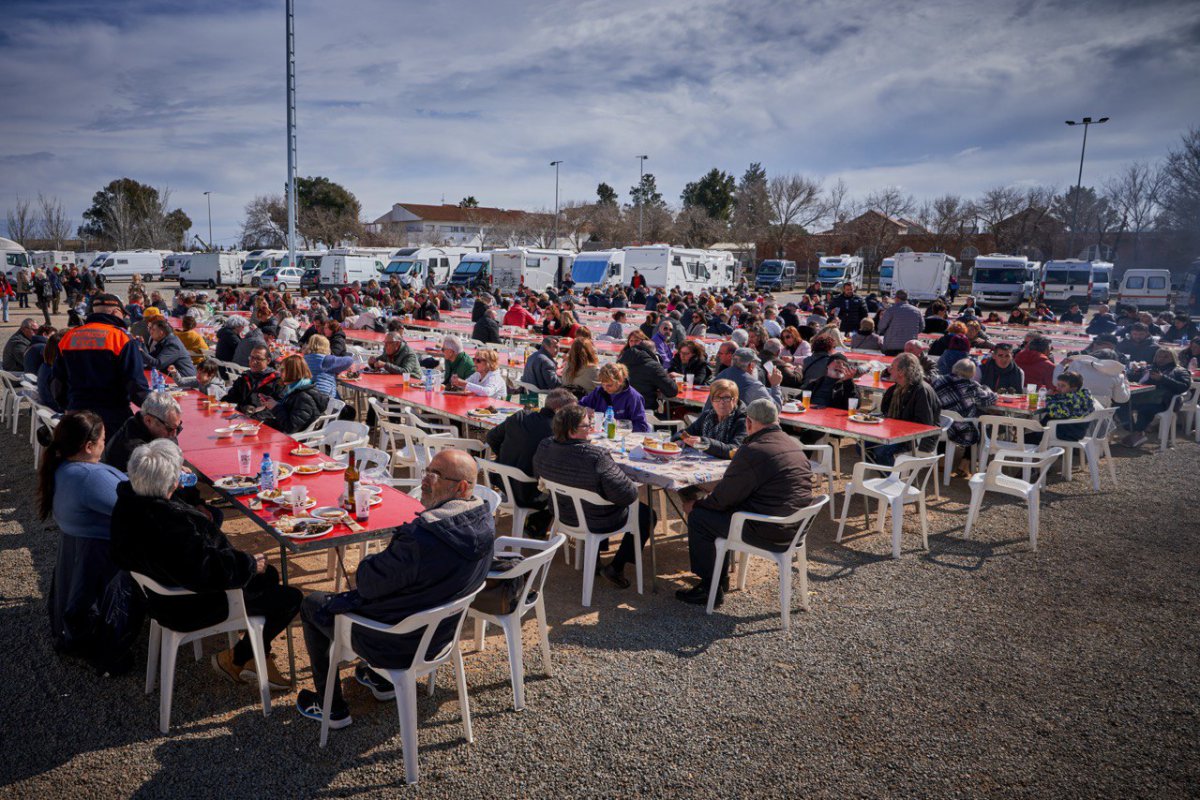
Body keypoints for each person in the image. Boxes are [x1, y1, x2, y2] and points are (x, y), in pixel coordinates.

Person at [295, 449, 492, 728]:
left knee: (312, 603)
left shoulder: (423, 538)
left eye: (435, 475)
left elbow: (368, 583)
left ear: (461, 487)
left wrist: (368, 562)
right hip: (440, 634)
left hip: (397, 643)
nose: (426, 480)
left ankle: (331, 708)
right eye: (427, 471)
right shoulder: (483, 521)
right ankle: (380, 679)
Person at [110, 439, 300, 691]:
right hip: (188, 604)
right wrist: (248, 563)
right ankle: (238, 657)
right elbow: (204, 570)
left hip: (157, 594)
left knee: (269, 576)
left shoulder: (129, 504)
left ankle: (255, 653)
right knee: (290, 598)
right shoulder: (169, 522)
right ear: (170, 481)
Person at [675, 398, 814, 608]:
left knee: (700, 518)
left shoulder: (753, 450)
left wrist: (695, 506)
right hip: (796, 527)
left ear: (748, 423)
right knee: (722, 514)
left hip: (769, 529)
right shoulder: (793, 445)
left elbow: (723, 499)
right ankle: (720, 581)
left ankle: (708, 587)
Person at [38, 411, 140, 674]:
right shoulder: (88, 478)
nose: (106, 444)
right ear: (89, 446)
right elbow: (135, 510)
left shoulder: (63, 468)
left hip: (82, 552)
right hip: (105, 558)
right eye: (103, 439)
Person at [534, 404, 655, 590]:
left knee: (597, 494)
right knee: (646, 515)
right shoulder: (595, 456)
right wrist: (630, 481)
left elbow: (538, 473)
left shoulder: (545, 445)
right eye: (586, 425)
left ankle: (595, 560)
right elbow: (628, 495)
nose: (590, 428)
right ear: (572, 430)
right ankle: (617, 566)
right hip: (594, 518)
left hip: (561, 511)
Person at [52, 293, 149, 436]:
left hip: (77, 414)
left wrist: (67, 406)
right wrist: (153, 409)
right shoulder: (121, 338)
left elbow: (57, 382)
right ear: (116, 312)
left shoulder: (69, 337)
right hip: (113, 415)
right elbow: (135, 385)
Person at [486, 388, 576, 537]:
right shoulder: (557, 432)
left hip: (502, 483)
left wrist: (505, 458)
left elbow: (491, 437)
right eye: (572, 411)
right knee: (562, 488)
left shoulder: (519, 417)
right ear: (559, 410)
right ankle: (535, 528)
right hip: (529, 493)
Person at [866, 353, 941, 466]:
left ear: (901, 372)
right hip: (895, 433)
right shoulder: (895, 388)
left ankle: (894, 480)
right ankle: (885, 474)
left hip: (915, 439)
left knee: (881, 451)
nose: (889, 370)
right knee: (862, 445)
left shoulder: (921, 391)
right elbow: (885, 413)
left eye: (892, 367)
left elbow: (923, 425)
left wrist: (896, 428)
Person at [1119, 347, 1192, 447]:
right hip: (1143, 397)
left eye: (1166, 357)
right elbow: (1134, 379)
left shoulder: (1180, 371)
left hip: (1165, 401)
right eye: (1159, 356)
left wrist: (1162, 378)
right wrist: (1134, 371)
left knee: (1146, 409)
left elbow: (1183, 387)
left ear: (1173, 358)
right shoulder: (1149, 368)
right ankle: (1134, 431)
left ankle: (1137, 433)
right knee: (1121, 403)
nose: (1161, 359)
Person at [102, 391, 184, 472]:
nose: (174, 434)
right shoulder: (134, 449)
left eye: (177, 428)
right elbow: (152, 479)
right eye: (169, 429)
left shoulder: (155, 427)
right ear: (148, 420)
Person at [932, 359, 997, 452]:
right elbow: (989, 399)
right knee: (979, 426)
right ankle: (966, 462)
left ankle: (943, 461)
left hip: (939, 424)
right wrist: (987, 388)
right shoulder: (971, 386)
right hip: (959, 429)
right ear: (972, 373)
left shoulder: (939, 380)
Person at [671, 378, 746, 458]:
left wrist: (705, 443)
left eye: (726, 398)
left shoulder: (743, 420)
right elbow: (683, 433)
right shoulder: (708, 415)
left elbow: (734, 450)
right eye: (717, 398)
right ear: (712, 401)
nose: (721, 402)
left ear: (735, 400)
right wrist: (681, 440)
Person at [262, 354, 325, 434]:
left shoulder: (304, 397)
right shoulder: (295, 390)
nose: (278, 372)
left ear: (293, 372)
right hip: (283, 431)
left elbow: (291, 427)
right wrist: (274, 403)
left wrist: (275, 407)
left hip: (292, 438)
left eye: (282, 370)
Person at [707, 346, 783, 411]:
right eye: (756, 365)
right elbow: (774, 410)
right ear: (751, 365)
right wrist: (775, 385)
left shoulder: (720, 376)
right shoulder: (753, 385)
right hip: (738, 427)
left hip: (710, 425)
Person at [580, 362, 650, 432]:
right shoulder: (599, 391)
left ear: (620, 381)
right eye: (603, 384)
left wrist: (618, 424)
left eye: (609, 385)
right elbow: (578, 406)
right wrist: (584, 410)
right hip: (601, 436)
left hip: (625, 439)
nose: (605, 388)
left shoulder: (633, 397)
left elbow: (641, 426)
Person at [223, 345, 282, 413]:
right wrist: (220, 403)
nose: (253, 362)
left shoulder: (276, 380)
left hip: (261, 420)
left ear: (268, 361)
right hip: (241, 417)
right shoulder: (245, 377)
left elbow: (278, 408)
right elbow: (232, 397)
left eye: (258, 359)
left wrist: (252, 415)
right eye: (252, 358)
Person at [877, 290, 924, 355]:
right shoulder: (917, 311)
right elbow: (921, 328)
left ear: (896, 298)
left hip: (892, 346)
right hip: (910, 347)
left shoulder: (891, 310)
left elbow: (881, 326)